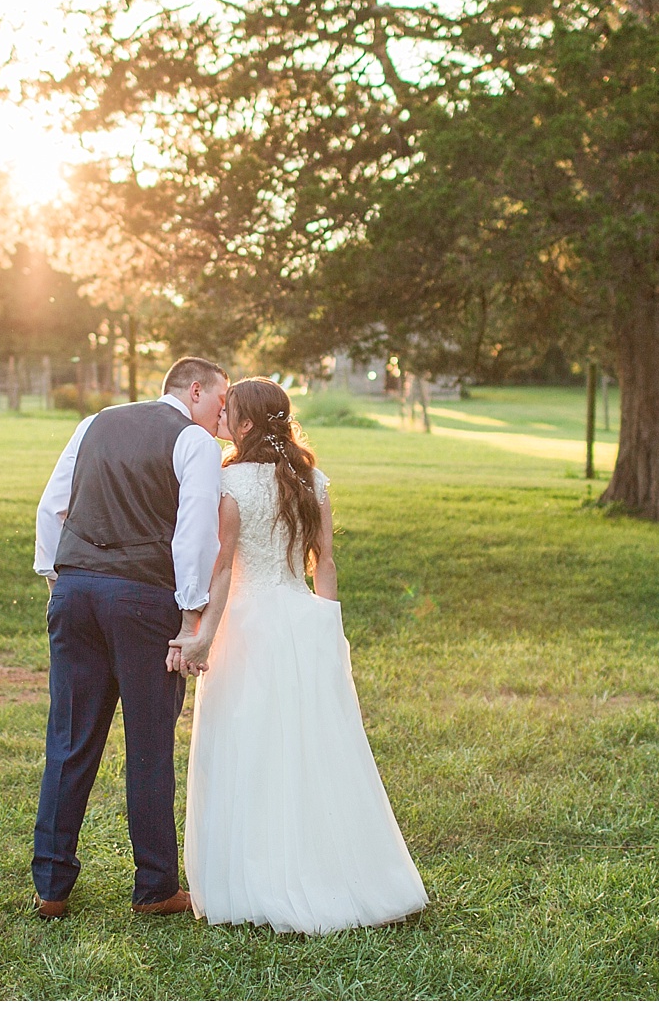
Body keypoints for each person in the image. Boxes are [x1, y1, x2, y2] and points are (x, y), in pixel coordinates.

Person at [169, 377, 428, 934]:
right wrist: (326, 627)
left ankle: (255, 879)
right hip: (300, 618)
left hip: (246, 627)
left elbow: (219, 569)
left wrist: (202, 634)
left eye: (227, 412)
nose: (218, 419)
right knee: (309, 748)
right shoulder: (312, 479)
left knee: (249, 748)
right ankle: (337, 871)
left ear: (243, 426)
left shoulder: (229, 480)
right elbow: (325, 564)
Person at [29, 356, 228, 919]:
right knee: (148, 744)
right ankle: (156, 887)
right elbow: (194, 534)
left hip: (76, 593)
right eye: (220, 400)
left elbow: (52, 506)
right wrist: (191, 615)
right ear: (195, 390)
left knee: (69, 739)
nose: (222, 415)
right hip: (142, 601)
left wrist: (57, 578)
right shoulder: (193, 441)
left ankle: (51, 886)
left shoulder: (96, 422)